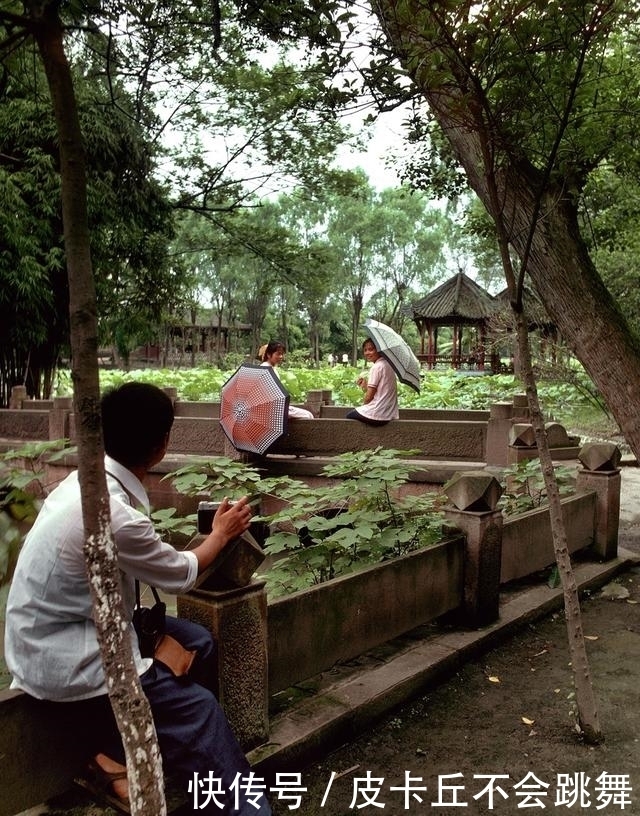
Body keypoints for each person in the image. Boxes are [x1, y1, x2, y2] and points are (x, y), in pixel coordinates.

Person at [4, 382, 271, 815]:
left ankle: (139, 754)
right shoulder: (116, 513)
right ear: (162, 444)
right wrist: (220, 535)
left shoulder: (83, 481)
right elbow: (182, 573)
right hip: (68, 653)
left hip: (49, 634)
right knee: (200, 711)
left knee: (198, 644)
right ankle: (243, 806)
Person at [346, 338, 399, 426]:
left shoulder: (377, 367)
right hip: (389, 414)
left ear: (378, 349)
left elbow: (369, 398)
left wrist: (364, 406)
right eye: (365, 350)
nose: (367, 353)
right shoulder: (388, 365)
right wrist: (365, 386)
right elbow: (378, 393)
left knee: (349, 416)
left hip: (378, 414)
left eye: (371, 349)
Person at [259, 340, 314, 419]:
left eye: (282, 354)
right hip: (272, 409)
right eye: (278, 354)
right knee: (308, 416)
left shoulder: (270, 367)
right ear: (268, 354)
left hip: (276, 406)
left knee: (308, 415)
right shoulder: (266, 369)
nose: (281, 356)